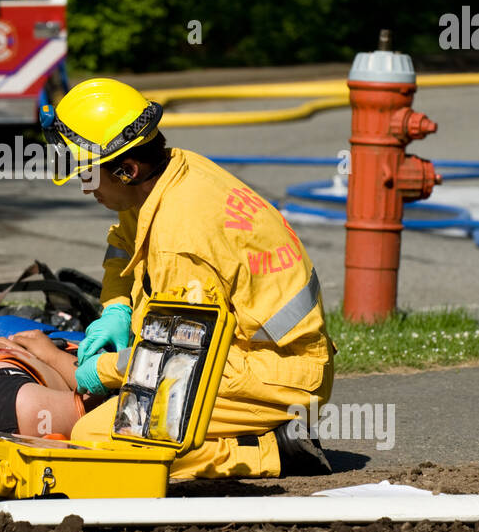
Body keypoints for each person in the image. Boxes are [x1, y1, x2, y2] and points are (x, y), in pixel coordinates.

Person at [38, 78, 336, 480]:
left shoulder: (181, 239)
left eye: (87, 174)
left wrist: (105, 370)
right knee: (118, 412)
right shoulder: (166, 175)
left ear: (126, 169)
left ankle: (273, 451)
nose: (84, 186)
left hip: (275, 376)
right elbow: (123, 246)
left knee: (95, 438)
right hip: (245, 355)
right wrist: (116, 309)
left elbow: (180, 356)